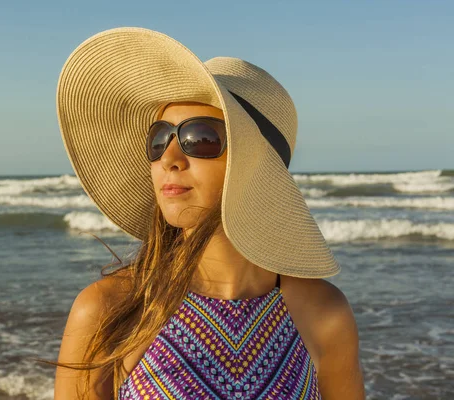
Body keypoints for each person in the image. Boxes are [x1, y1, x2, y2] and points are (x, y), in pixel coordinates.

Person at [49, 27, 366, 399]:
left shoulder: (323, 314)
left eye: (199, 138)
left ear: (256, 167)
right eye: (159, 138)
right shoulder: (111, 309)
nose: (168, 158)